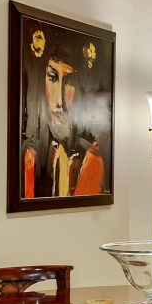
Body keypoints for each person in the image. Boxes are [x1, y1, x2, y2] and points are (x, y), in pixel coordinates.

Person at [23, 34, 103, 196]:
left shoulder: (93, 160)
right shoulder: (29, 157)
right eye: (52, 78)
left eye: (69, 81)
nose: (59, 100)